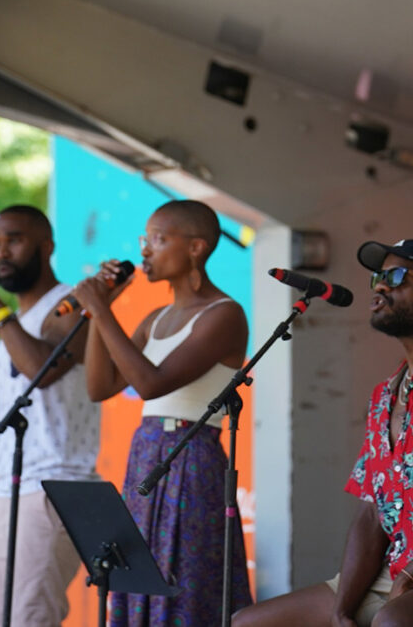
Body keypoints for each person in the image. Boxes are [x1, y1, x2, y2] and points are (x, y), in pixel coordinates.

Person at [234, 239, 413, 627]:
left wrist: (410, 575)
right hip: (399, 570)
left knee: (394, 623)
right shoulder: (385, 393)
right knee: (247, 623)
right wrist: (342, 609)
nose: (379, 286)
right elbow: (371, 511)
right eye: (377, 276)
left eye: (395, 276)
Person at [72, 199, 253, 626]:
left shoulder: (223, 314)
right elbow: (100, 387)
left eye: (158, 239)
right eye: (144, 240)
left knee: (186, 582)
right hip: (147, 457)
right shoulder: (155, 318)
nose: (146, 251)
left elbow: (151, 383)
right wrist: (104, 311)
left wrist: (100, 309)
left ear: (195, 247)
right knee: (140, 576)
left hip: (190, 457)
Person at [0, 204, 100, 626]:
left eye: (14, 240)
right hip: (10, 490)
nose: (2, 253)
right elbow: (8, 422)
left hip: (55, 486)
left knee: (29, 618)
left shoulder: (74, 303)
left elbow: (43, 370)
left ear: (46, 247)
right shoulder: (15, 323)